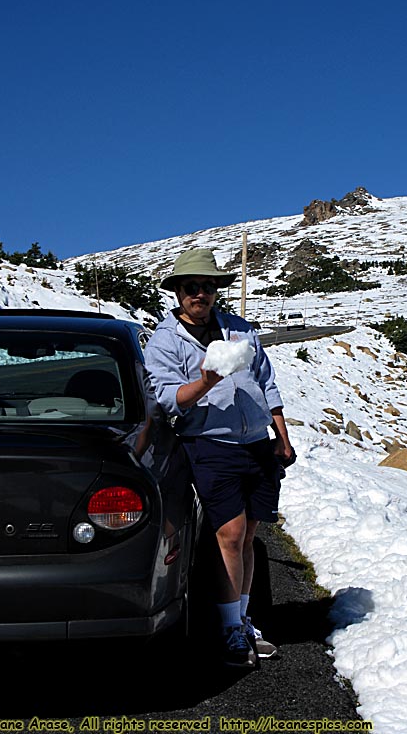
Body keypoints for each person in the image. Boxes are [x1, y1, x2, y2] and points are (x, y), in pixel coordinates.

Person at [144, 247, 294, 668]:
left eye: (208, 286)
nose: (200, 294)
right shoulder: (165, 342)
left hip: (257, 444)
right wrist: (208, 380)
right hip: (211, 445)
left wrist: (281, 435)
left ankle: (243, 620)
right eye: (192, 287)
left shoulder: (240, 331)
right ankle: (228, 627)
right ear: (177, 292)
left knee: (248, 536)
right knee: (229, 534)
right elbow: (170, 399)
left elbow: (267, 384)